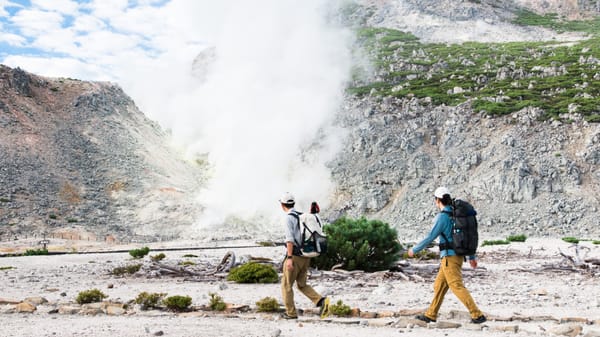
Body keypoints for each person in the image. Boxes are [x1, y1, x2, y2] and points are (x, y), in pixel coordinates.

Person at [408, 187, 486, 324]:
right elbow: (468, 235)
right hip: (457, 256)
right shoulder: (457, 215)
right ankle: (431, 314)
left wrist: (414, 250)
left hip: (449, 258)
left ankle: (477, 314)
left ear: (437, 200)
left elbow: (430, 237)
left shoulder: (443, 217)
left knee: (456, 285)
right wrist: (472, 257)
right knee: (439, 285)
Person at [279, 192, 330, 319]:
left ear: (282, 205)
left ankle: (290, 313)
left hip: (295, 257)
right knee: (302, 284)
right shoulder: (301, 215)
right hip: (305, 256)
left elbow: (289, 240)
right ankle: (321, 301)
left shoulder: (288, 218)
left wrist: (289, 258)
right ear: (293, 203)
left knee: (286, 285)